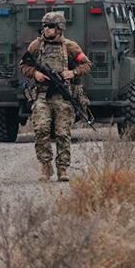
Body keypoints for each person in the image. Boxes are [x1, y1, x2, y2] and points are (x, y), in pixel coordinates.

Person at [19, 12, 91, 181]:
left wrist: (72, 73)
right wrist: (35, 73)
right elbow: (23, 65)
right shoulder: (36, 46)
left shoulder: (70, 46)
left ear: (59, 28)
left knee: (62, 133)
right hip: (42, 95)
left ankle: (63, 169)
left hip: (62, 97)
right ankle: (45, 166)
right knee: (41, 130)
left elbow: (87, 64)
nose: (47, 29)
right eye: (45, 26)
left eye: (50, 26)